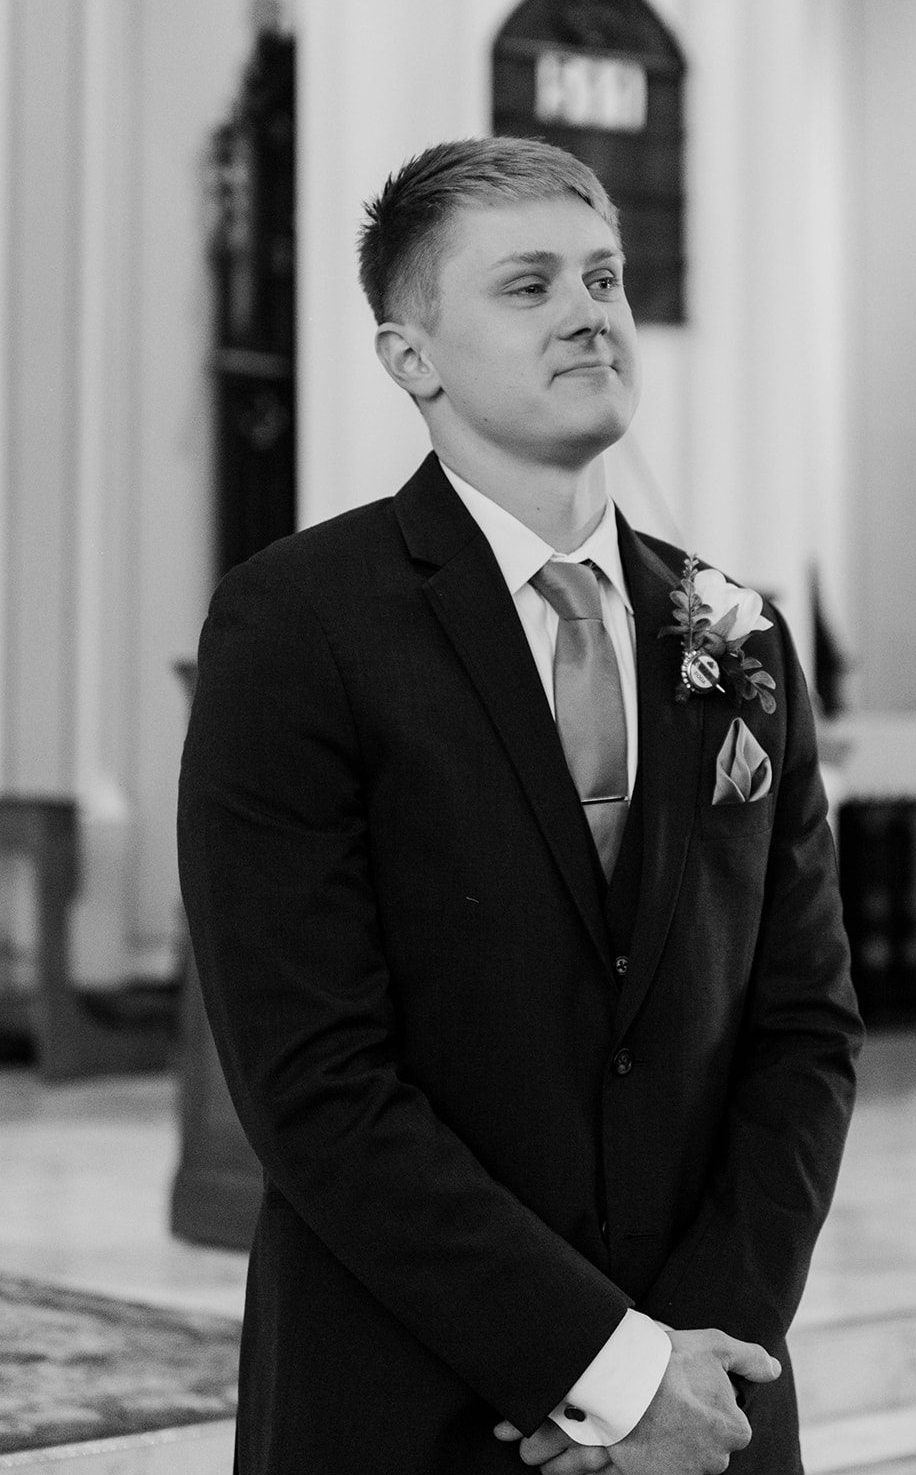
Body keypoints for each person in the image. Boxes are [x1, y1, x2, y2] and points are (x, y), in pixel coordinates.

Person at [178, 136, 863, 1475]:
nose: (588, 310)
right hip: (422, 1397)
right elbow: (314, 1079)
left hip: (708, 1403)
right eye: (527, 285)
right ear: (409, 357)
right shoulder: (297, 626)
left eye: (603, 278)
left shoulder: (736, 633)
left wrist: (685, 1358)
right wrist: (596, 1365)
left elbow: (806, 1029)